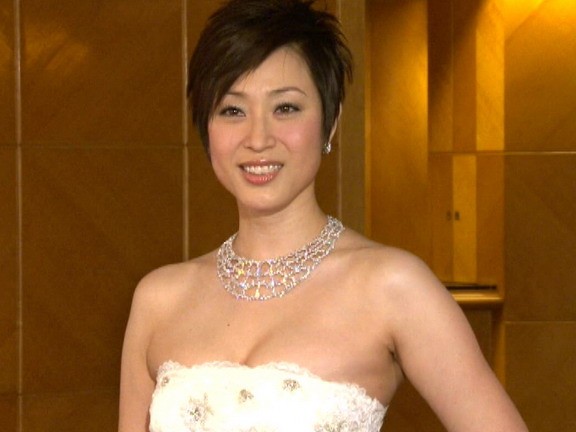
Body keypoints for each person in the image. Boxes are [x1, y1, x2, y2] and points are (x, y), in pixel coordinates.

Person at [119, 0, 529, 431]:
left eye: (286, 108)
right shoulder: (158, 300)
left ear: (330, 122)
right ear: (207, 127)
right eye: (233, 110)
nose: (258, 138)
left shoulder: (392, 286)